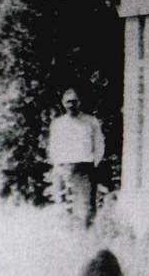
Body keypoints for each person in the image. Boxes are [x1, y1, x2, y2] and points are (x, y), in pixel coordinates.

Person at [48, 88, 105, 227]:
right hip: (63, 169)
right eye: (68, 102)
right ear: (63, 103)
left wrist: (93, 164)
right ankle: (67, 235)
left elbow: (99, 144)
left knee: (87, 209)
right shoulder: (58, 123)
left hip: (84, 170)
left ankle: (87, 236)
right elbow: (53, 146)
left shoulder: (90, 121)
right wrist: (58, 167)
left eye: (74, 101)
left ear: (79, 102)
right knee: (63, 207)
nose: (71, 105)